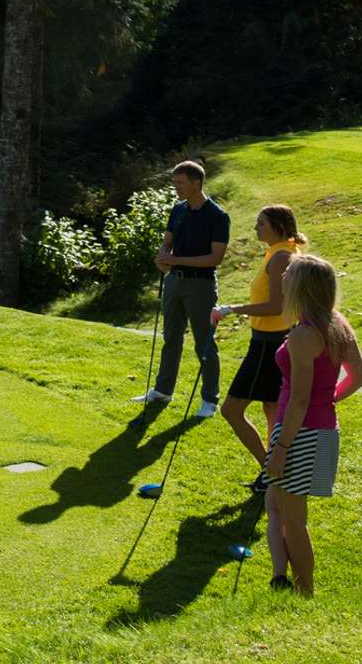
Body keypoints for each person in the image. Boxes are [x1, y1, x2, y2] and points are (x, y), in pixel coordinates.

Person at [263, 254, 362, 596]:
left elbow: (300, 399)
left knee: (294, 522)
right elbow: (358, 378)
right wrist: (330, 400)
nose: (282, 278)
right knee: (276, 504)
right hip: (322, 430)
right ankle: (284, 580)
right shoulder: (337, 323)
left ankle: (304, 592)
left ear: (301, 286)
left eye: (289, 274)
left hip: (299, 433)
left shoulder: (304, 335)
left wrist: (280, 449)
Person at [211, 205, 305, 491]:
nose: (256, 228)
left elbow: (277, 305)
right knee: (271, 408)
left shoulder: (281, 257)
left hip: (270, 343)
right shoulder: (280, 251)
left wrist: (230, 309)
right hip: (270, 340)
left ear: (277, 226)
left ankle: (270, 470)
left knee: (231, 409)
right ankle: (274, 475)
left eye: (261, 223)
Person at [134, 160, 231, 415]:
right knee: (171, 338)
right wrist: (162, 256)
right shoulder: (177, 209)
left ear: (196, 183)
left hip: (201, 285)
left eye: (180, 183)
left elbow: (215, 258)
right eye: (174, 182)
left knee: (204, 342)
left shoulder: (218, 216)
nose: (175, 187)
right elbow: (167, 243)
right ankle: (163, 391)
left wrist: (175, 259)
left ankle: (210, 399)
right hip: (174, 281)